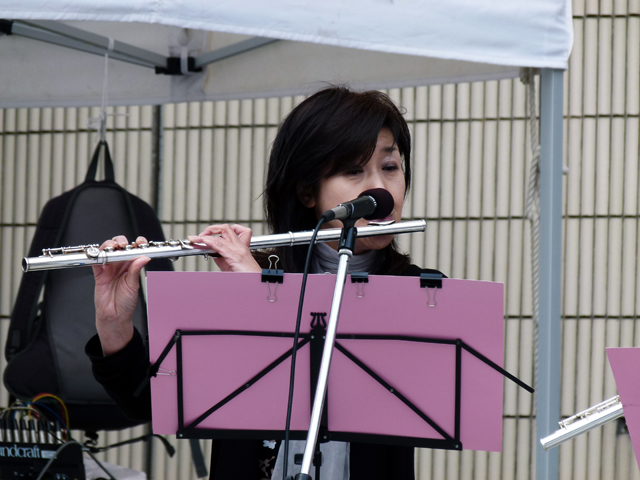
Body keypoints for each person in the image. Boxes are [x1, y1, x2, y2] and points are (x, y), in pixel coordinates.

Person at [85, 86, 444, 480]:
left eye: (390, 167)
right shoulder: (251, 276)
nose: (380, 190)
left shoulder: (423, 293)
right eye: (354, 171)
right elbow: (147, 401)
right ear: (307, 191)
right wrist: (114, 324)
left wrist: (267, 302)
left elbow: (372, 396)